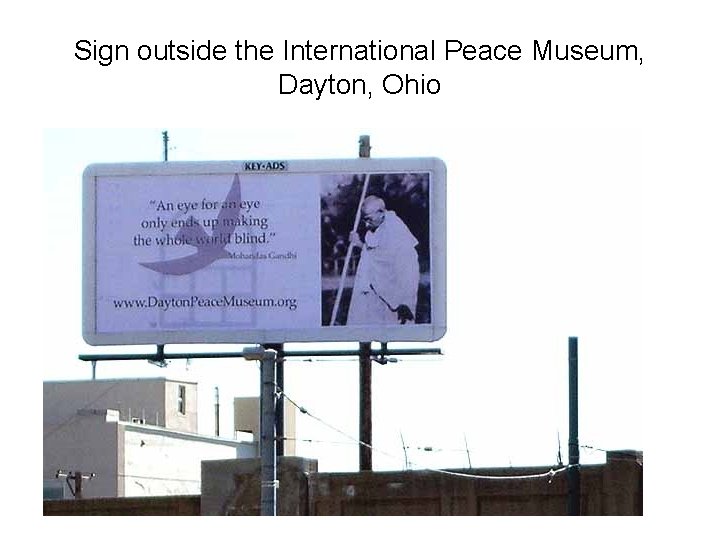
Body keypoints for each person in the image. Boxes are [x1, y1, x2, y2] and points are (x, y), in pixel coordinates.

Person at [346, 195, 420, 325]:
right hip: (377, 292)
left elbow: (386, 262)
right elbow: (374, 255)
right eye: (364, 220)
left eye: (369, 219)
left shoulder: (395, 230)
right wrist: (359, 244)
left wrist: (404, 300)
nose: (366, 224)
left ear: (381, 212)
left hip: (395, 292)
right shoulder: (376, 228)